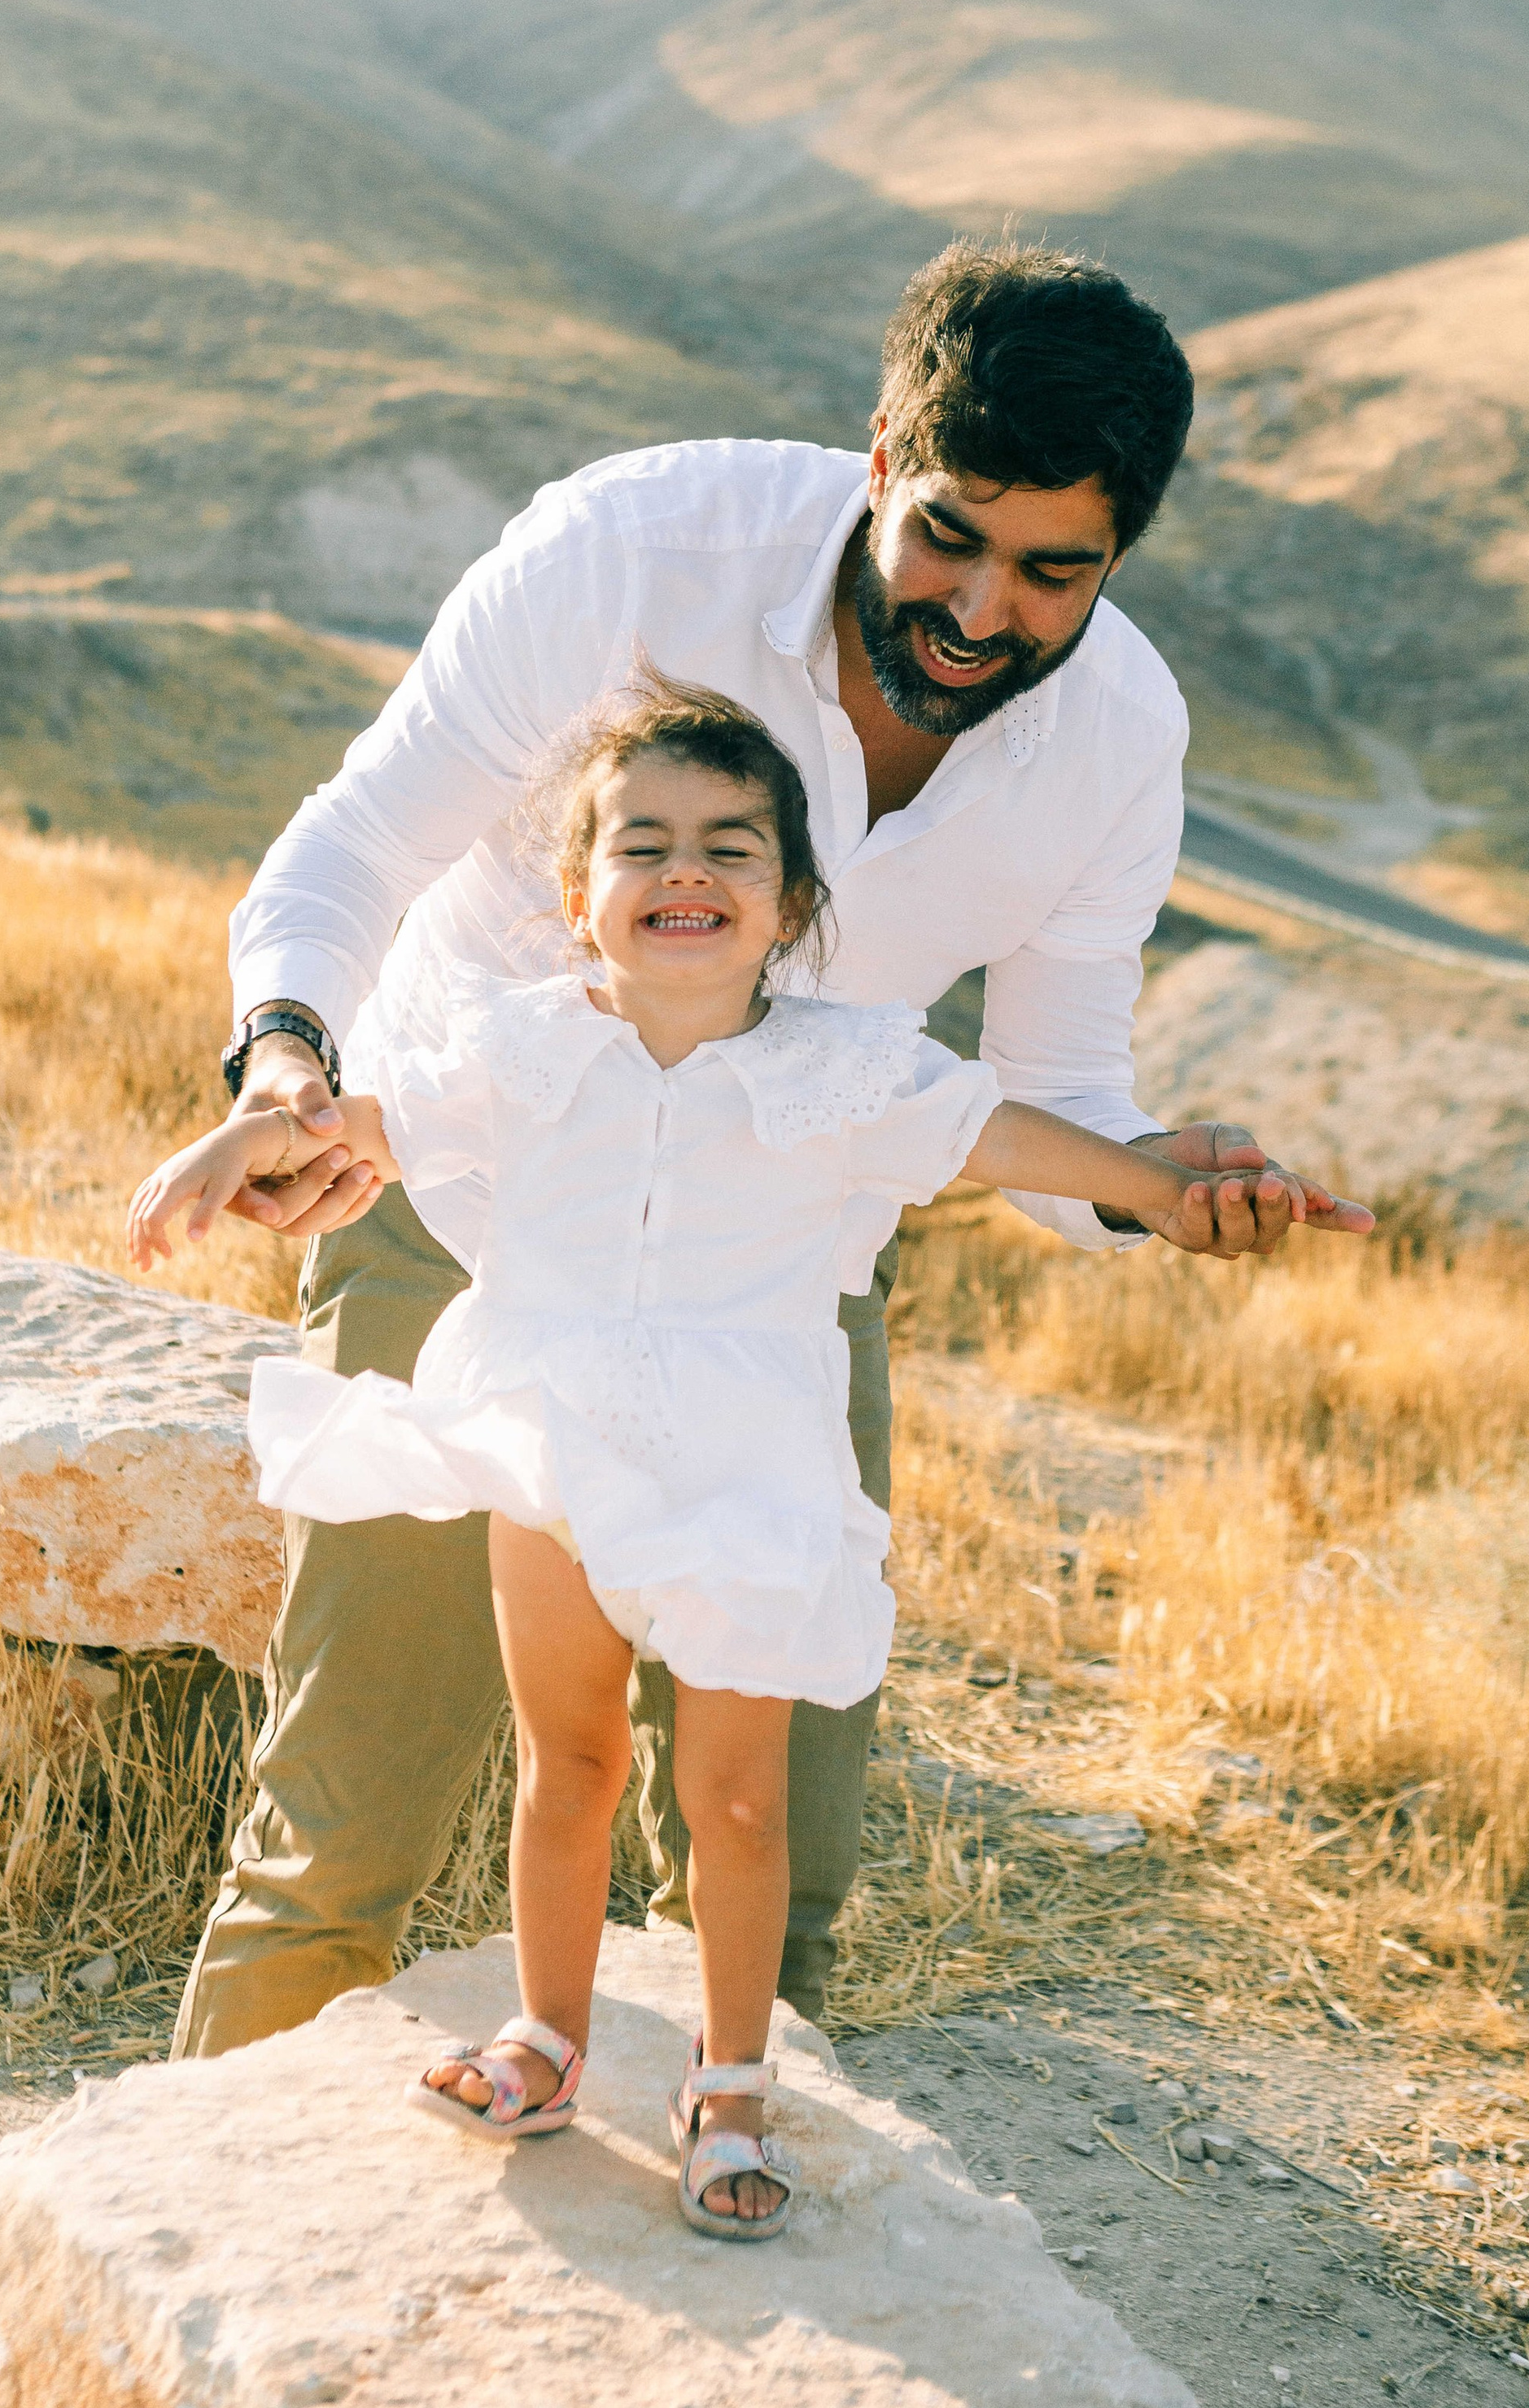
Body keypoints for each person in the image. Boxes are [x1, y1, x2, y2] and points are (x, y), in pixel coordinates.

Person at [168, 238, 1376, 2062]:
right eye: (949, 538)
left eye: (1056, 572)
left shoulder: (1116, 739)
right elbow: (349, 848)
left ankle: (698, 2233)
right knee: (352, 1818)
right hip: (467, 1212)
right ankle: (184, 2285)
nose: (982, 612)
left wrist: (1165, 1190)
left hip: (773, 1293)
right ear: (881, 453)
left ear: (1118, 552)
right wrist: (284, 1069)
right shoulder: (631, 550)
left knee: (772, 1860)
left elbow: (1059, 1102)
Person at [131, 681, 1347, 2236]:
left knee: (739, 1808)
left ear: (791, 904)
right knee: (566, 1767)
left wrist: (1166, 1195)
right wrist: (251, 1130)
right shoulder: (525, 1046)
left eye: (731, 845)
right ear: (581, 900)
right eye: (644, 844)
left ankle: (732, 2082)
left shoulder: (847, 1070)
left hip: (746, 1474)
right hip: (554, 1438)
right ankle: (550, 2040)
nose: (686, 869)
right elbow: (367, 1120)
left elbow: (1000, 1138)